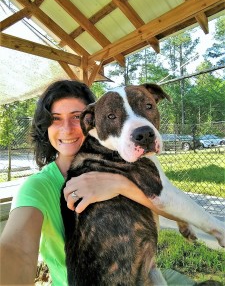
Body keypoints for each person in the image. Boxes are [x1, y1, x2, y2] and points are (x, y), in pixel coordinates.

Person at [0, 80, 171, 285]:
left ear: (95, 121)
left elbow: (166, 213)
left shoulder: (127, 164)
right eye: (55, 119)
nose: (67, 129)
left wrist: (119, 184)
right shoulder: (38, 186)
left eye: (76, 117)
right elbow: (17, 250)